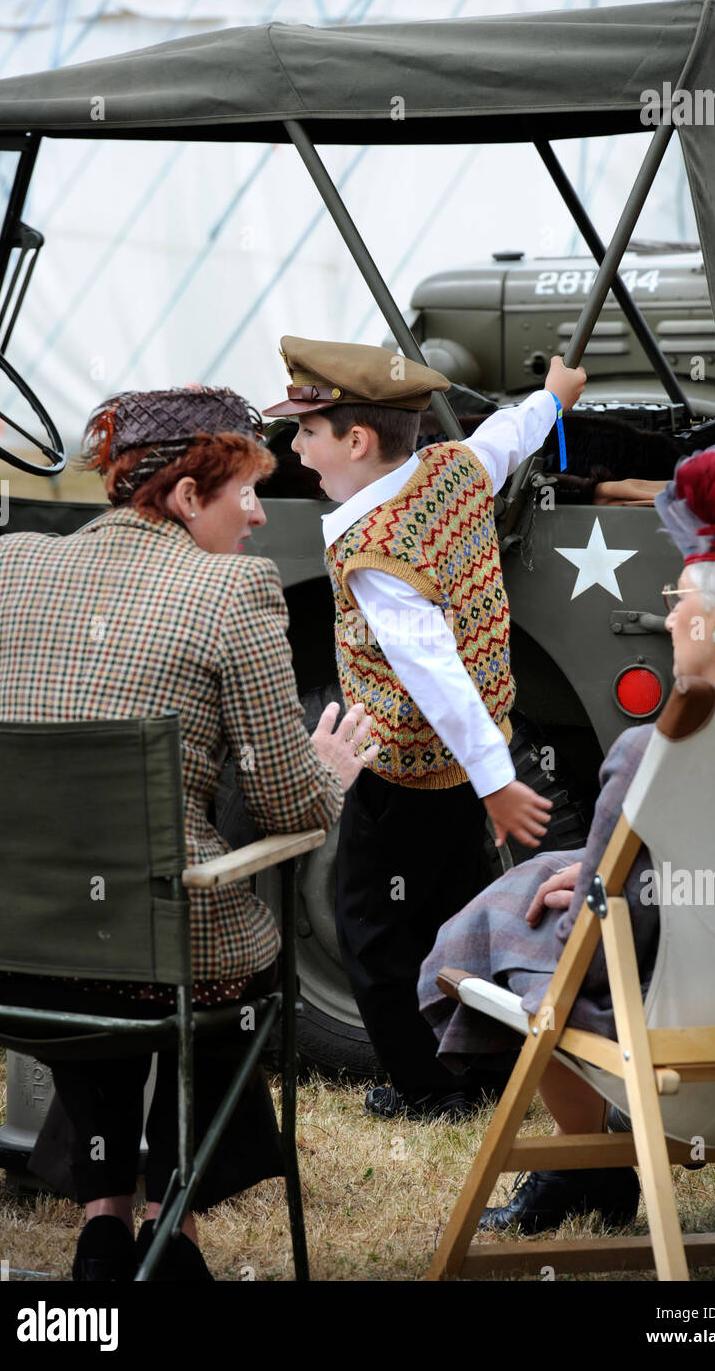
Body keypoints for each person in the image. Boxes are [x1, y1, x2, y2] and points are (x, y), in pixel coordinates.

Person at [0, 386, 378, 1280]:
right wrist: (333, 777)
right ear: (188, 497)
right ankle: (171, 1209)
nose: (263, 516)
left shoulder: (8, 565)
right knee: (194, 946)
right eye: (246, 493)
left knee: (101, 934)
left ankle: (107, 1208)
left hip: (6, 953)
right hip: (163, 964)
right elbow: (285, 809)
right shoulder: (231, 589)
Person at [419, 444, 715, 1232]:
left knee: (527, 912)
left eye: (682, 595)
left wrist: (617, 891)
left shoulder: (656, 755)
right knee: (560, 873)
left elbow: (587, 962)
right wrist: (633, 878)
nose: (670, 613)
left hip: (685, 1067)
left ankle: (595, 1168)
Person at [262, 338, 587, 1121]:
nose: (296, 448)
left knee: (370, 930)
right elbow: (503, 439)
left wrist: (500, 782)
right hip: (457, 774)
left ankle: (427, 1088)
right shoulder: (451, 472)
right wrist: (554, 397)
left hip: (403, 770)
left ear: (356, 441)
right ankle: (478, 1070)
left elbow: (433, 673)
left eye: (307, 432)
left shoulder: (374, 550)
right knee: (458, 913)